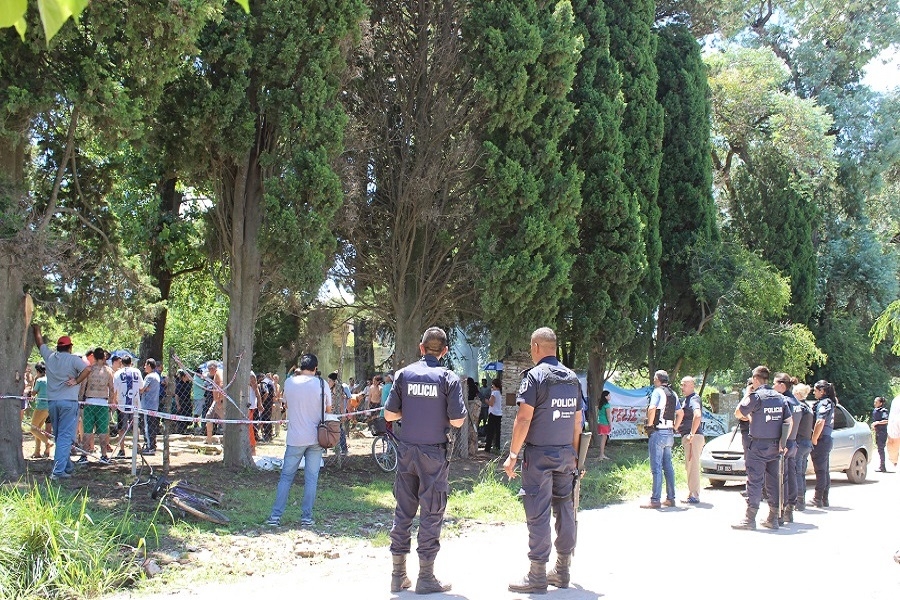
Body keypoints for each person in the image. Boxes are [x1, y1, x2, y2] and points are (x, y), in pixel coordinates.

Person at [384, 327, 467, 594]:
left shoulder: (403, 375)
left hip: (407, 451)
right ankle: (426, 577)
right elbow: (458, 421)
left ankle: (398, 575)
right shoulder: (448, 378)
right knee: (431, 512)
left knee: (403, 510)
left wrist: (410, 411)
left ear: (421, 348)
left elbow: (389, 415)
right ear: (444, 351)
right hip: (433, 454)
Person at [503, 327, 583, 593]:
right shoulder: (572, 378)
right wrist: (575, 458)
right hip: (566, 455)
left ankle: (537, 575)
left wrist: (512, 455)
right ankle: (562, 570)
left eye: (531, 347)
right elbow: (577, 423)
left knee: (538, 512)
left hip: (539, 457)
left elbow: (524, 418)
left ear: (536, 347)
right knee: (565, 509)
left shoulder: (535, 377)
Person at [265, 354, 331, 528]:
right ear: (315, 368)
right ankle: (306, 517)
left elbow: (286, 404)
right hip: (317, 436)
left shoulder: (289, 383)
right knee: (311, 478)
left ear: (300, 368)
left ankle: (275, 516)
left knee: (286, 477)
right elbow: (329, 409)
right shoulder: (322, 384)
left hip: (295, 437)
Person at [732, 366, 792, 530]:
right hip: (775, 446)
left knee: (755, 481)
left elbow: (738, 413)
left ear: (755, 379)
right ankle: (773, 518)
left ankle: (750, 519)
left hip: (758, 446)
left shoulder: (756, 397)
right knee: (773, 482)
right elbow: (788, 422)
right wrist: (783, 443)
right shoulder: (780, 398)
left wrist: (748, 394)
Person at [32, 325, 91, 480]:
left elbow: (39, 343)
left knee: (59, 436)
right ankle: (58, 472)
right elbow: (87, 369)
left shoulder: (50, 357)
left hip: (53, 402)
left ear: (58, 347)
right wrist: (76, 380)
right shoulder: (73, 359)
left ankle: (66, 467)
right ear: (70, 347)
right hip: (68, 402)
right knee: (65, 437)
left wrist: (36, 329)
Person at [641, 370, 677, 509]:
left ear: (657, 379)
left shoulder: (658, 392)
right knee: (668, 467)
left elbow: (652, 408)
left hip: (658, 431)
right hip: (669, 432)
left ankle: (655, 499)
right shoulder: (673, 394)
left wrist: (650, 425)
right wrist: (674, 427)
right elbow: (680, 413)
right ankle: (670, 498)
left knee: (656, 468)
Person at [79, 347, 115, 464]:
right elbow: (112, 389)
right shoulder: (109, 371)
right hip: (103, 402)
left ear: (94, 356)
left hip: (90, 401)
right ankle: (103, 455)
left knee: (87, 430)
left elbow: (83, 386)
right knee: (103, 431)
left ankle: (84, 455)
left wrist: (80, 399)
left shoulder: (89, 369)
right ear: (104, 357)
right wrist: (110, 403)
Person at [773, 374, 801, 523]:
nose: (773, 387)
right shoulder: (796, 401)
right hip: (793, 442)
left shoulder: (784, 401)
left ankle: (781, 512)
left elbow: (786, 424)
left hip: (785, 443)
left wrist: (781, 443)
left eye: (775, 384)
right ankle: (789, 509)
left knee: (781, 479)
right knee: (791, 476)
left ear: (782, 385)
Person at [674, 376, 704, 504]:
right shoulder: (687, 399)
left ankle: (694, 495)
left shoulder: (694, 398)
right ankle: (691, 492)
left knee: (693, 466)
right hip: (690, 437)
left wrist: (692, 433)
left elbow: (697, 415)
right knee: (689, 466)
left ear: (692, 385)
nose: (682, 388)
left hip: (694, 438)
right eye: (681, 385)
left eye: (684, 385)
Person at [811, 380, 836, 508]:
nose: (814, 393)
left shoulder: (824, 403)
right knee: (824, 471)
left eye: (815, 390)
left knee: (820, 471)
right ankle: (824, 499)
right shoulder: (829, 402)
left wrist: (814, 438)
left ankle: (818, 498)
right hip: (826, 439)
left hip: (821, 439)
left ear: (822, 391)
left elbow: (820, 422)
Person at [112, 355, 143, 458]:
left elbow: (114, 389)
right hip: (135, 403)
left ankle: (122, 450)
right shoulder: (137, 372)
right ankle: (136, 446)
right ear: (131, 362)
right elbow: (141, 387)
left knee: (122, 428)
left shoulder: (117, 373)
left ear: (121, 363)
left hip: (122, 404)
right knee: (135, 425)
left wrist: (114, 400)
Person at [791, 382, 814, 510]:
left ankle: (798, 502)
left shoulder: (799, 407)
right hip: (807, 443)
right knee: (801, 474)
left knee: (797, 473)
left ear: (798, 394)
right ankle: (802, 500)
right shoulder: (808, 407)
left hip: (799, 443)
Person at [29, 362, 52, 459]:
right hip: (48, 407)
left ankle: (48, 442)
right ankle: (37, 452)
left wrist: (33, 383)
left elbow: (33, 393)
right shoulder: (50, 380)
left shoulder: (39, 381)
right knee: (38, 429)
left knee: (33, 429)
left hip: (40, 407)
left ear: (38, 371)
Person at [140, 358, 161, 455]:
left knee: (147, 427)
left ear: (149, 365)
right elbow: (146, 388)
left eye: (145, 365)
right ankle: (152, 445)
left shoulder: (149, 377)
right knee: (152, 426)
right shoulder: (157, 376)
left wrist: (143, 389)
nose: (144, 367)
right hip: (154, 405)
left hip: (147, 405)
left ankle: (150, 447)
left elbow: (141, 389)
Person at [327, 372, 349, 455]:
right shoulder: (331, 389)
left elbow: (341, 402)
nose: (328, 382)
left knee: (339, 430)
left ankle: (343, 448)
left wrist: (343, 414)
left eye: (330, 381)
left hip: (337, 413)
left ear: (334, 381)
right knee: (333, 429)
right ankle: (337, 447)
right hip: (332, 412)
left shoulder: (338, 389)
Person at [205, 363, 224, 444]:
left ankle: (209, 440)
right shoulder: (219, 373)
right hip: (218, 400)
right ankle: (209, 439)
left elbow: (221, 385)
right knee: (209, 417)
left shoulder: (218, 373)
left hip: (219, 400)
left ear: (213, 368)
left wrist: (219, 401)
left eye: (209, 369)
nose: (209, 371)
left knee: (224, 420)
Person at [483, 378, 503, 453]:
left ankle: (487, 448)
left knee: (490, 432)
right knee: (498, 432)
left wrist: (486, 401)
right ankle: (497, 447)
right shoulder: (500, 393)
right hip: (499, 414)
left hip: (493, 414)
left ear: (495, 385)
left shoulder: (494, 393)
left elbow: (491, 403)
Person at [872, 396, 890, 472]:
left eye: (876, 402)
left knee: (881, 449)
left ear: (881, 403)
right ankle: (881, 465)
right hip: (878, 432)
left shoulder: (883, 411)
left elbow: (886, 420)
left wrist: (877, 423)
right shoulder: (875, 411)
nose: (875, 403)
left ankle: (882, 466)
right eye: (874, 402)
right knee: (879, 449)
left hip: (882, 432)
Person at [597, 390, 612, 460]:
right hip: (605, 423)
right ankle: (601, 455)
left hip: (600, 422)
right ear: (606, 397)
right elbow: (608, 416)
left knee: (603, 439)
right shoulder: (607, 405)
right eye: (609, 395)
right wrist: (610, 424)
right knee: (603, 439)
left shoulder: (601, 404)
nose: (610, 396)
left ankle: (602, 454)